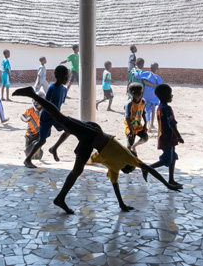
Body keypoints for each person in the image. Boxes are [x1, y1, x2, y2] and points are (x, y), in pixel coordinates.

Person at [12, 86, 180, 214]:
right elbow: (149, 169)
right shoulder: (128, 158)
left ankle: (60, 198)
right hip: (92, 133)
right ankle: (33, 94)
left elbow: (116, 186)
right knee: (62, 119)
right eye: (129, 170)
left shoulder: (116, 167)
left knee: (76, 171)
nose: (128, 172)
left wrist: (122, 204)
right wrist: (167, 184)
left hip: (89, 142)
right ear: (128, 165)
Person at [23, 65, 71, 169]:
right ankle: (28, 159)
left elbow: (59, 104)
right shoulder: (52, 88)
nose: (66, 79)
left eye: (67, 76)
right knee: (42, 140)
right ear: (57, 76)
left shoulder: (64, 90)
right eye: (64, 76)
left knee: (68, 130)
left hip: (56, 116)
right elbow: (46, 104)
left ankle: (54, 148)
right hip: (46, 117)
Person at [149, 84, 184, 189]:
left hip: (165, 136)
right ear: (164, 96)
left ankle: (171, 179)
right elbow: (172, 124)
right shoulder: (167, 108)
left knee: (173, 158)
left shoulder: (159, 107)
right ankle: (148, 168)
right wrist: (179, 136)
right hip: (167, 137)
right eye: (169, 94)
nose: (171, 96)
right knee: (167, 159)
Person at [136, 61, 162, 131]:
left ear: (150, 68)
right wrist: (155, 86)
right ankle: (152, 124)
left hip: (147, 94)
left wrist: (135, 70)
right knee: (153, 110)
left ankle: (148, 124)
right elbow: (160, 86)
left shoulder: (147, 73)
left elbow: (137, 75)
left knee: (147, 110)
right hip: (154, 95)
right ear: (157, 69)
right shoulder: (158, 77)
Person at [124, 83, 148, 153]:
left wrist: (145, 124)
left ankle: (134, 146)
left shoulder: (142, 101)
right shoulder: (129, 104)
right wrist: (131, 130)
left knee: (145, 138)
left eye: (142, 92)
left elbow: (143, 113)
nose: (142, 93)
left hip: (137, 124)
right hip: (130, 126)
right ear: (133, 94)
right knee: (129, 144)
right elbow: (127, 118)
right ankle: (130, 153)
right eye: (140, 92)